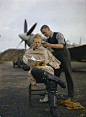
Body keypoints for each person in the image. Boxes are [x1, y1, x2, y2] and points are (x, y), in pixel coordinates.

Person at [23, 34, 66, 117]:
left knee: (51, 82)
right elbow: (24, 65)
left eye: (39, 42)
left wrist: (48, 65)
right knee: (35, 69)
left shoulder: (46, 51)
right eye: (35, 42)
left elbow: (54, 62)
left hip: (46, 72)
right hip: (36, 74)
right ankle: (58, 80)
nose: (37, 44)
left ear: (41, 42)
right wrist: (29, 65)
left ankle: (53, 108)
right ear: (32, 42)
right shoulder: (28, 52)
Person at [40, 25, 74, 99]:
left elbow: (61, 46)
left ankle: (71, 94)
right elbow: (43, 45)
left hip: (64, 55)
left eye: (44, 33)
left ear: (48, 29)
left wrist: (49, 45)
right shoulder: (48, 39)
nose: (44, 35)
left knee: (68, 73)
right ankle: (52, 93)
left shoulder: (58, 35)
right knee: (55, 75)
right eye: (43, 34)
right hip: (56, 56)